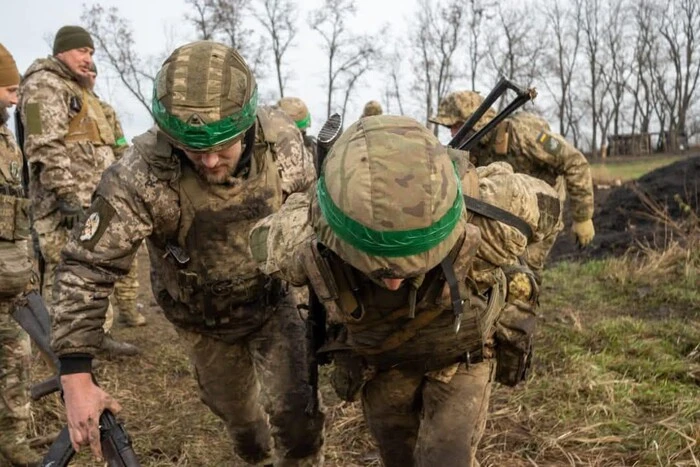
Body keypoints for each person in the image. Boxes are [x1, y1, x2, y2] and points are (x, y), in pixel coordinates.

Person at [51, 40, 324, 466]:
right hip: (203, 321)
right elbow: (87, 266)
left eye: (224, 147)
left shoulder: (283, 144)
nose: (212, 161)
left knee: (298, 417)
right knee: (243, 426)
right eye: (195, 150)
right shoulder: (140, 174)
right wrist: (75, 372)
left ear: (248, 125)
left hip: (273, 306)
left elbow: (314, 218)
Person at [250, 115, 562, 466]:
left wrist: (527, 266)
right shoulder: (305, 238)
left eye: (414, 262)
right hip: (383, 364)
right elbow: (261, 242)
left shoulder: (493, 213)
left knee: (446, 459)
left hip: (461, 358)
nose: (395, 281)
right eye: (375, 267)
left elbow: (550, 208)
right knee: (397, 457)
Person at [18, 26, 138, 356]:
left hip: (93, 200)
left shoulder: (81, 92)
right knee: (66, 273)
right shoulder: (43, 85)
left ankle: (94, 337)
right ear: (61, 52)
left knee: (93, 270)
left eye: (91, 53)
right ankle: (64, 352)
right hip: (64, 205)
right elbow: (42, 144)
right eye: (82, 51)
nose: (88, 59)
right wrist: (66, 195)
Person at [429, 90, 595, 247]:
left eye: (456, 126)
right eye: (449, 128)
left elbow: (575, 161)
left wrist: (583, 217)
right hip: (509, 209)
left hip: (544, 208)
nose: (452, 134)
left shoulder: (523, 134)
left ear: (476, 121)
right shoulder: (474, 147)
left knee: (524, 271)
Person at [0, 42, 43, 467]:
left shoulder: (7, 138)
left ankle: (12, 439)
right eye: (9, 90)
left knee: (17, 361)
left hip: (10, 280)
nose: (16, 99)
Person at [83, 64, 146, 328]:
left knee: (127, 255)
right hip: (84, 193)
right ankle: (98, 325)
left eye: (95, 74)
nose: (91, 77)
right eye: (89, 72)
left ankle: (129, 310)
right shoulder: (70, 105)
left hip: (112, 192)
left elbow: (121, 145)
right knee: (95, 258)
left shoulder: (106, 110)